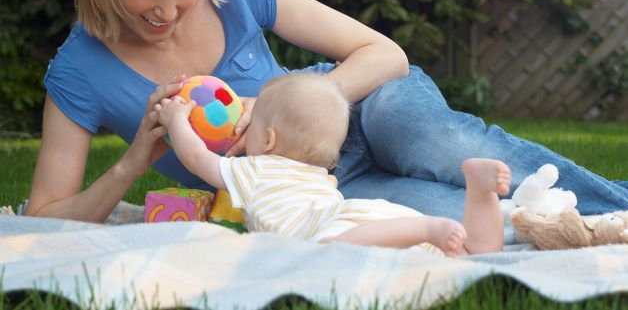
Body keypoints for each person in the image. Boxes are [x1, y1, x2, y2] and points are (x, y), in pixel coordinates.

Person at [26, 0, 627, 224]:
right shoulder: (80, 71)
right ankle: (604, 218)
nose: (168, 10)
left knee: (432, 138)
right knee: (479, 216)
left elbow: (384, 54)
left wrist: (291, 102)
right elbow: (46, 213)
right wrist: (135, 160)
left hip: (364, 108)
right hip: (316, 190)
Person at [154, 73, 512, 257]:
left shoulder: (254, 170)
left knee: (332, 255)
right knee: (472, 255)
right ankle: (479, 191)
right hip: (375, 218)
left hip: (334, 229)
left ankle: (426, 228)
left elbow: (196, 157)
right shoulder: (318, 174)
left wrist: (177, 120)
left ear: (267, 141)